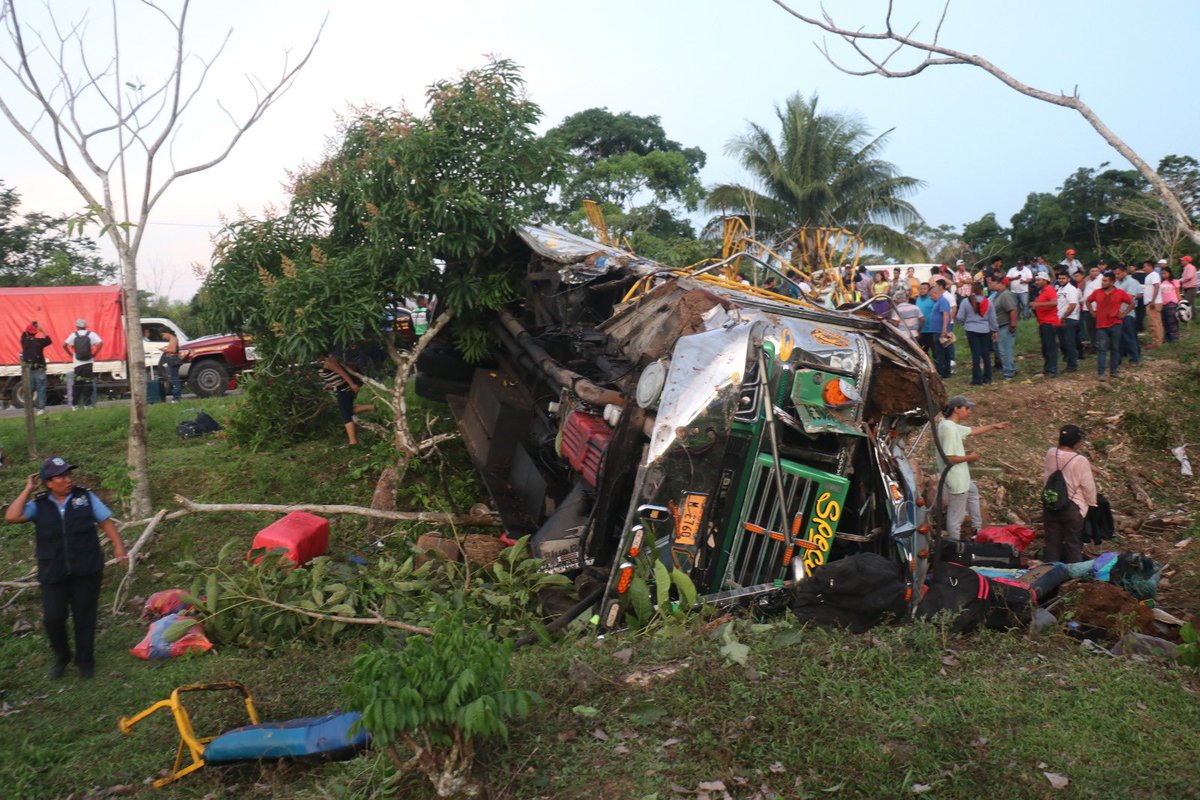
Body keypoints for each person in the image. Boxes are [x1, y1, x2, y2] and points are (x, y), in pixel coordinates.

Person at [4, 456, 126, 679]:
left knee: (84, 617)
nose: (68, 479)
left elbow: (106, 521)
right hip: (53, 571)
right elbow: (12, 516)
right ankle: (62, 657)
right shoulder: (39, 505)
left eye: (69, 474)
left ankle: (85, 660)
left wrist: (119, 548)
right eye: (61, 476)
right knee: (53, 618)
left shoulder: (85, 497)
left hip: (86, 568)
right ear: (48, 482)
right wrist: (28, 489)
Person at [936, 396, 1010, 540]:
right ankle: (954, 545)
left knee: (973, 491)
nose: (969, 411)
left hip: (961, 477)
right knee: (955, 516)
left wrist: (994, 426)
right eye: (966, 408)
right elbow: (949, 458)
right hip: (956, 478)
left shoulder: (948, 425)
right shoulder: (949, 429)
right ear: (956, 409)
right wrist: (970, 458)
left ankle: (977, 529)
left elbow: (972, 431)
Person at [1042, 424, 1097, 563]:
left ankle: (1050, 573)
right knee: (1073, 543)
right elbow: (1088, 486)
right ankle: (1074, 576)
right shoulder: (1080, 460)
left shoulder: (1051, 453)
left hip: (1051, 503)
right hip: (1072, 506)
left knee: (1052, 542)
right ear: (1076, 442)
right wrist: (1092, 503)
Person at [320, 347, 377, 447]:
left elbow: (343, 373)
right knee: (348, 411)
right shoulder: (325, 362)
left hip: (344, 390)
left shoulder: (329, 362)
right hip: (343, 389)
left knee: (345, 416)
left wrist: (352, 385)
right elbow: (336, 376)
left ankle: (353, 442)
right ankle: (372, 407)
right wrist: (329, 385)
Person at [1086, 271, 1133, 380]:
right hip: (1101, 325)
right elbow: (1088, 301)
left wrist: (1123, 314)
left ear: (1112, 282)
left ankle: (1114, 371)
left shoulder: (1120, 293)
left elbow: (1132, 303)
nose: (1102, 283)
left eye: (1105, 280)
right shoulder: (1097, 292)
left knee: (1115, 348)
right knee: (1102, 349)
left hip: (1115, 324)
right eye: (1102, 280)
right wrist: (1092, 312)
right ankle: (1101, 373)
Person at [955, 282, 998, 385]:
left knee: (975, 355)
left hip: (971, 330)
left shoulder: (966, 302)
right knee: (986, 354)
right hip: (985, 330)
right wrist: (995, 330)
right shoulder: (988, 302)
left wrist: (965, 323)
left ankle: (977, 379)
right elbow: (993, 319)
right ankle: (987, 378)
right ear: (982, 290)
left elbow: (960, 317)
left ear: (972, 290)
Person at [63, 319, 102, 410]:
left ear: (77, 327)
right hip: (88, 363)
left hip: (77, 364)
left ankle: (74, 405)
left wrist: (71, 354)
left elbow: (64, 345)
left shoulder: (73, 335)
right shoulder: (91, 334)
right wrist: (95, 354)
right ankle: (87, 405)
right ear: (85, 326)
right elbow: (100, 343)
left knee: (77, 384)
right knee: (88, 383)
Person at [1030, 274, 1061, 377]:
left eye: (1039, 280)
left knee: (1050, 347)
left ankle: (1053, 370)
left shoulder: (1050, 290)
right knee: (1045, 347)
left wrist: (1037, 304)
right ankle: (1048, 368)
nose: (1037, 282)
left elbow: (1054, 303)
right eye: (1036, 280)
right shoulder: (1042, 291)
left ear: (1045, 280)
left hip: (1050, 322)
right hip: (1043, 323)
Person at [20, 321, 52, 414]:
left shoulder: (24, 341)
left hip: (29, 370)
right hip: (40, 369)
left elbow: (23, 334)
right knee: (41, 389)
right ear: (35, 333)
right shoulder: (39, 342)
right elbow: (49, 340)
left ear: (27, 332)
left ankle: (29, 408)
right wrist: (42, 330)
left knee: (30, 388)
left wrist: (31, 326)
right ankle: (41, 409)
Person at [990, 277, 1019, 379]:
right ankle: (1011, 368)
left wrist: (1013, 324)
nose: (991, 284)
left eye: (993, 282)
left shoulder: (1006, 295)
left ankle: (1008, 373)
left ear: (1001, 284)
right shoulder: (997, 295)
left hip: (1005, 325)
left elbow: (1012, 310)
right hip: (999, 326)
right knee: (1002, 350)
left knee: (1004, 350)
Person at [1114, 264, 1142, 366]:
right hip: (1117, 314)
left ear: (1124, 272)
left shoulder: (1132, 282)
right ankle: (1118, 359)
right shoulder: (1116, 284)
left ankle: (1134, 358)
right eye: (1115, 274)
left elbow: (1129, 298)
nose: (1116, 276)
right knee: (1118, 338)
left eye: (1118, 273)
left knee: (1129, 337)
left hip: (1128, 314)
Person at [1055, 271, 1081, 373]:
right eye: (1060, 278)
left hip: (1070, 319)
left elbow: (1072, 305)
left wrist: (1064, 316)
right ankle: (1069, 362)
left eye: (1063, 278)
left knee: (1069, 343)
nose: (1061, 280)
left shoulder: (1071, 289)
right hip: (1060, 318)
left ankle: (1072, 365)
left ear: (1068, 279)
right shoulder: (1059, 289)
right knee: (1064, 342)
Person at [927, 282, 953, 378]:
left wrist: (944, 329)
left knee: (942, 352)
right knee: (940, 352)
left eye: (931, 295)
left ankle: (943, 371)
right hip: (937, 331)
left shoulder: (942, 301)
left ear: (935, 293)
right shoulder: (938, 302)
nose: (930, 297)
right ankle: (943, 370)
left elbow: (945, 314)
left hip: (941, 331)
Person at [156, 328, 183, 401]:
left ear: (167, 333)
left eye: (163, 335)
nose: (163, 337)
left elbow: (174, 350)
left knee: (174, 378)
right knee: (173, 378)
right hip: (172, 359)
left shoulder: (173, 339)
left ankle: (177, 396)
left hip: (173, 359)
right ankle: (177, 395)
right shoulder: (173, 339)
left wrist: (165, 350)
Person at [1081, 264, 1104, 354]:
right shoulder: (1088, 280)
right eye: (1092, 271)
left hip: (1098, 309)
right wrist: (1085, 279)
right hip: (1087, 308)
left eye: (1096, 271)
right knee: (1091, 329)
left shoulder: (1102, 279)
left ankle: (1100, 346)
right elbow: (1081, 288)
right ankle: (1094, 346)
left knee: (1099, 329)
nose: (1095, 273)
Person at [1142, 260, 1164, 348]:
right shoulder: (1149, 276)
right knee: (1155, 322)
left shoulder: (1154, 275)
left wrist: (1153, 301)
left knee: (1155, 323)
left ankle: (1157, 342)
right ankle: (1157, 340)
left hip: (1153, 302)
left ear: (1150, 267)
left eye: (1145, 266)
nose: (1143, 268)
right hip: (1150, 302)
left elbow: (1157, 286)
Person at [1159, 267, 1181, 343]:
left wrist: (1180, 303)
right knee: (1165, 321)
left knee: (1172, 321)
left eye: (1165, 273)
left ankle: (1174, 338)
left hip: (1172, 303)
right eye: (1162, 273)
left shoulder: (1174, 281)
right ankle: (1167, 337)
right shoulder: (1161, 282)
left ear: (1169, 273)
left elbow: (1178, 293)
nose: (1163, 275)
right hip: (1163, 304)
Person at [915, 282, 936, 357]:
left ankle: (937, 368)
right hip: (921, 331)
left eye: (924, 288)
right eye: (920, 289)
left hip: (931, 330)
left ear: (929, 290)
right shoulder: (917, 299)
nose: (922, 290)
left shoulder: (932, 299)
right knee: (922, 353)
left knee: (935, 352)